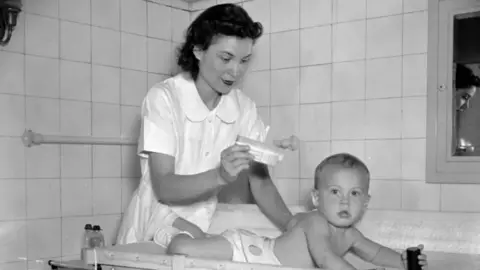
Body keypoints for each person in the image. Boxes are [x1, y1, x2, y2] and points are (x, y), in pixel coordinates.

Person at [116, 3, 299, 248]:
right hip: (152, 229)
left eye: (244, 60)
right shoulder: (164, 98)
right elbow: (165, 188)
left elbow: (260, 182)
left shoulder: (243, 108)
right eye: (226, 58)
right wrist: (221, 175)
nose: (236, 71)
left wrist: (295, 227)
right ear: (199, 51)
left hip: (199, 229)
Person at [166, 153, 429, 270]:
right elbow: (326, 260)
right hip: (251, 252)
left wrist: (403, 262)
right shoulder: (315, 223)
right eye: (335, 192)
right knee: (182, 251)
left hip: (262, 256)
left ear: (366, 202)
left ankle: (196, 233)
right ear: (316, 198)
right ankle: (176, 230)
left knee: (202, 247)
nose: (344, 202)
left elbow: (376, 252)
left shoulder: (351, 235)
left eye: (355, 194)